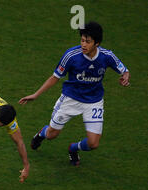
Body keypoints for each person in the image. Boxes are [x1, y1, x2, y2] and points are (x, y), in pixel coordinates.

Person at [19, 21, 130, 166]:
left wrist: (125, 76)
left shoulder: (107, 56)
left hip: (94, 101)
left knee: (93, 143)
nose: (84, 44)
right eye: (82, 40)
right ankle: (42, 133)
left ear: (97, 43)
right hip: (70, 99)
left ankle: (73, 148)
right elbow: (55, 77)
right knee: (52, 135)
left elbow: (124, 70)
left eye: (88, 42)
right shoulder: (71, 55)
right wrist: (35, 94)